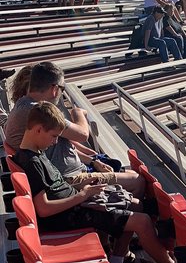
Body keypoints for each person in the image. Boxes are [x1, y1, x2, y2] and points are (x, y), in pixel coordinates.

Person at [11, 101, 172, 263]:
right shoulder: (32, 162)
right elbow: (44, 208)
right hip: (68, 216)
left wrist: (84, 187)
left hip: (74, 206)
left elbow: (54, 188)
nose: (55, 142)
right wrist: (83, 195)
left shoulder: (35, 152)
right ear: (39, 129)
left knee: (135, 205)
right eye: (54, 136)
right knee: (143, 222)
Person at [8, 63, 143, 196]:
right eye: (62, 89)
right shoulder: (38, 112)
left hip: (72, 171)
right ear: (54, 89)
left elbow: (61, 146)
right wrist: (78, 113)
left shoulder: (24, 105)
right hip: (69, 178)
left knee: (131, 174)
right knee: (138, 181)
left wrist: (92, 161)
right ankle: (130, 207)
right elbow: (82, 134)